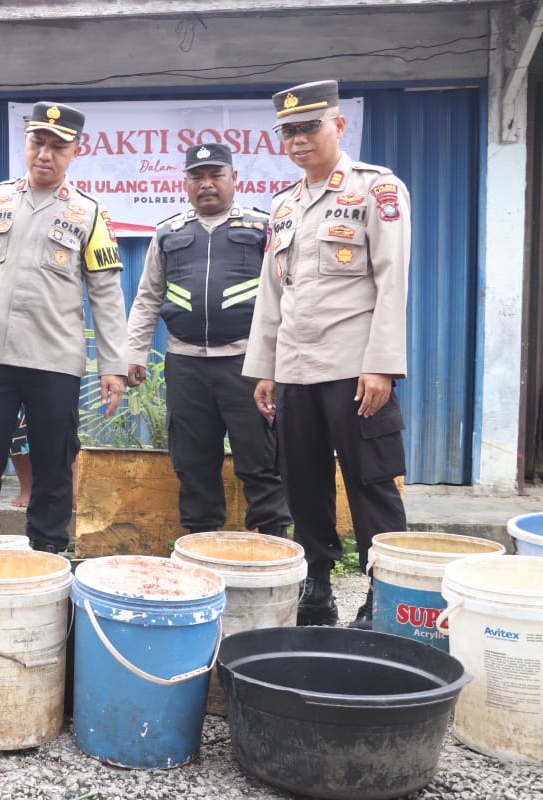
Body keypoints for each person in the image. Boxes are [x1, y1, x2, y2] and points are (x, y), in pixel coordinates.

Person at [243, 80, 411, 628]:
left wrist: (382, 363)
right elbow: (273, 292)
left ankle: (385, 589)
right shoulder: (284, 206)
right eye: (287, 131)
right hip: (295, 370)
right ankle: (318, 584)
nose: (297, 140)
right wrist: (265, 369)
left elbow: (392, 280)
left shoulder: (374, 190)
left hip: (355, 368)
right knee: (302, 483)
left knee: (370, 483)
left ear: (338, 126)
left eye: (308, 127)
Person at [0, 101, 128, 554]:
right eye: (38, 142)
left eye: (58, 147)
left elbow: (107, 294)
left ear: (77, 151)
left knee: (53, 463)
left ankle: (49, 554)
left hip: (54, 361)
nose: (45, 154)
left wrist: (112, 365)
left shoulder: (90, 214)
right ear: (26, 141)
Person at [126, 142, 291, 539]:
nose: (207, 184)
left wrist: (279, 360)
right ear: (185, 183)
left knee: (261, 458)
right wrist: (134, 352)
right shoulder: (169, 232)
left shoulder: (262, 228)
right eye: (197, 177)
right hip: (186, 365)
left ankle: (271, 547)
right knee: (194, 461)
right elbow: (148, 296)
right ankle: (201, 548)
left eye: (216, 175)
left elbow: (285, 292)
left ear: (234, 178)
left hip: (247, 365)